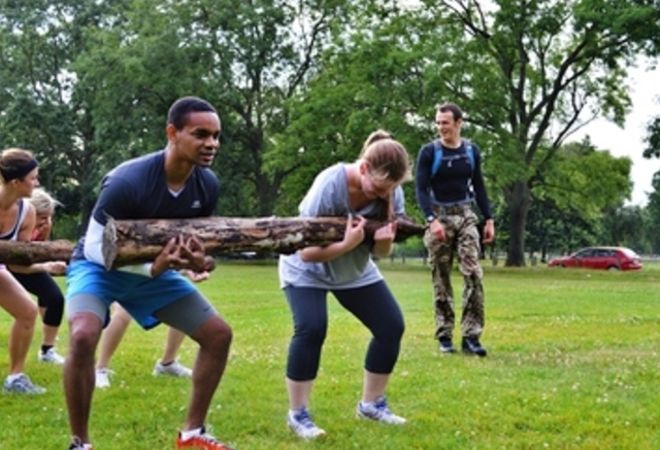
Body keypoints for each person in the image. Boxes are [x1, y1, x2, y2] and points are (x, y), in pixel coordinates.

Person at [63, 96, 233, 450]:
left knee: (218, 335)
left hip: (155, 274)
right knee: (82, 336)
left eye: (216, 136)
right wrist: (150, 266)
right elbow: (94, 245)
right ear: (172, 132)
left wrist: (200, 264)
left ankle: (192, 436)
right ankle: (80, 443)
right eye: (201, 134)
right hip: (99, 268)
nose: (211, 144)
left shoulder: (208, 184)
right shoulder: (128, 180)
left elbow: (199, 244)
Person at [278, 130, 410, 439]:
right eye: (378, 188)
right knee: (311, 328)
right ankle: (298, 414)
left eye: (388, 190)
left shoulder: (390, 190)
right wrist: (349, 243)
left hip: (355, 270)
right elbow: (306, 252)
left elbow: (380, 253)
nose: (382, 196)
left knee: (391, 326)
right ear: (363, 168)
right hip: (306, 270)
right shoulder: (330, 184)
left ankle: (372, 405)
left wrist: (383, 244)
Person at [415, 102, 495, 357]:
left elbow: (479, 186)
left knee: (473, 273)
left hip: (466, 215)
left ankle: (471, 336)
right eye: (438, 123)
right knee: (441, 277)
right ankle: (445, 335)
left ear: (459, 123)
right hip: (438, 216)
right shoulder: (429, 152)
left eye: (445, 123)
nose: (441, 128)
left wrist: (489, 218)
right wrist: (431, 220)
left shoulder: (472, 151)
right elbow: (420, 189)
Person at [94, 269, 209, 389]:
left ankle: (167, 364)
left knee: (183, 302)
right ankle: (100, 369)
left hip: (151, 275)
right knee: (123, 313)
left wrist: (188, 269)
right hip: (123, 272)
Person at [0, 148, 46, 394]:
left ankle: (15, 378)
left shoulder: (27, 211)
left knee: (28, 312)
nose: (37, 183)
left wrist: (46, 266)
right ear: (16, 182)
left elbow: (17, 262)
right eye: (33, 178)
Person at [10, 188, 67, 365]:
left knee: (55, 298)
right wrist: (47, 267)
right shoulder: (17, 222)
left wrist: (50, 263)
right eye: (43, 217)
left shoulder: (45, 225)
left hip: (29, 266)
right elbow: (14, 264)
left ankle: (47, 350)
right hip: (9, 266)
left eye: (49, 217)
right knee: (25, 308)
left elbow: (40, 251)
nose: (46, 222)